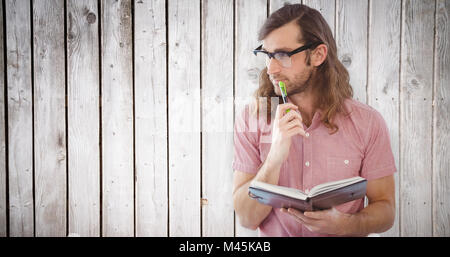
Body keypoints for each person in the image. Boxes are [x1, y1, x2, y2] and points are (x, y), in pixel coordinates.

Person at [232, 4, 396, 237]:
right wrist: (274, 159)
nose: (271, 69)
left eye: (282, 55)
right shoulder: (252, 119)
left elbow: (386, 210)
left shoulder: (367, 122)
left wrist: (348, 225)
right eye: (267, 55)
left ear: (318, 55)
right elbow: (247, 219)